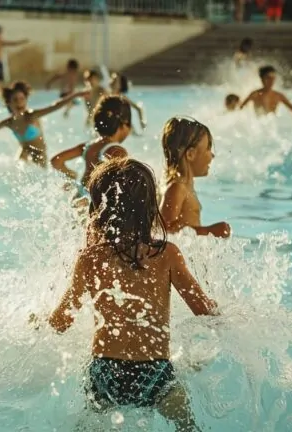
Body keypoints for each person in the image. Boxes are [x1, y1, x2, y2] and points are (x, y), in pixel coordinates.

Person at [41, 158, 217, 431]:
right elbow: (203, 309)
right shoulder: (167, 255)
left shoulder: (90, 259)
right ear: (149, 208)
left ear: (99, 208)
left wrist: (39, 322)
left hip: (105, 374)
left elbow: (62, 321)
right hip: (155, 372)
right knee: (188, 427)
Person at [0, 81, 88, 167]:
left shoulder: (32, 115)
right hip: (24, 152)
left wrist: (76, 95)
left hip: (40, 155)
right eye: (15, 99)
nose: (19, 102)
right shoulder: (9, 122)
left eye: (22, 99)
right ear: (9, 103)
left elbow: (55, 106)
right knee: (17, 171)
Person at [160, 117, 231, 238]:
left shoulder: (186, 186)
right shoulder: (177, 188)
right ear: (190, 154)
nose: (212, 155)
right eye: (208, 148)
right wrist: (209, 231)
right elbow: (163, 231)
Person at [50, 95, 131, 199]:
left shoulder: (89, 145)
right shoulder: (116, 151)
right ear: (124, 124)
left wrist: (72, 176)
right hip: (94, 202)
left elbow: (56, 161)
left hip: (79, 197)